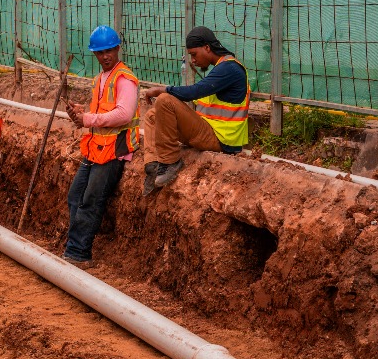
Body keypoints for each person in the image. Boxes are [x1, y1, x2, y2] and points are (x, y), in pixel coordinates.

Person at [140, 25, 250, 194]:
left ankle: (170, 162)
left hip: (221, 140)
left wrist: (161, 89)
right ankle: (153, 166)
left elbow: (193, 92)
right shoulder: (221, 69)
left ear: (207, 48)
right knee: (152, 115)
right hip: (207, 132)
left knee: (164, 100)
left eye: (194, 54)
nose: (193, 60)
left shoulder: (230, 68)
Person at [63, 26, 139, 267]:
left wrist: (88, 119)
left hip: (114, 150)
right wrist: (81, 114)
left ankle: (78, 254)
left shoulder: (124, 78)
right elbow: (99, 113)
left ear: (117, 49)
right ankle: (74, 249)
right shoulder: (101, 79)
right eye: (100, 53)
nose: (105, 56)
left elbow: (124, 114)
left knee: (91, 201)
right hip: (96, 148)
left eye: (109, 51)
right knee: (76, 196)